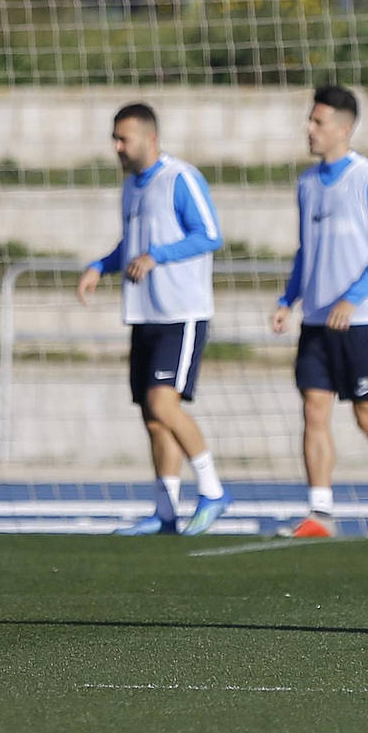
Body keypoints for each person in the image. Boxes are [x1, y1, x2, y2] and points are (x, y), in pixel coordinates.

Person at [270, 85, 368, 539]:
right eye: (309, 120)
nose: (309, 129)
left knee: (367, 415)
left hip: (362, 320)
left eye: (318, 122)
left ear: (344, 128)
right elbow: (305, 251)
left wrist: (352, 299)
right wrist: (287, 300)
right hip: (315, 320)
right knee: (314, 409)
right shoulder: (307, 183)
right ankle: (320, 512)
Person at [77, 103, 231, 536]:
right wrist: (100, 266)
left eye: (124, 138)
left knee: (165, 402)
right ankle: (165, 511)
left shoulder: (180, 178)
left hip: (180, 314)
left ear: (151, 138)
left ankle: (214, 490)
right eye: (115, 138)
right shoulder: (130, 187)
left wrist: (157, 256)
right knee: (152, 416)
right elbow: (132, 244)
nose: (117, 147)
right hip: (143, 314)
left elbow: (209, 234)